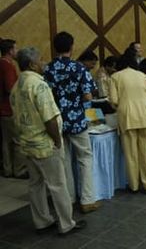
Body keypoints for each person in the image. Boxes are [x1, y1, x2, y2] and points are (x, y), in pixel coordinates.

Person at [10, 47, 86, 235]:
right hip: (44, 144)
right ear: (32, 65)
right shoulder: (38, 85)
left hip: (27, 143)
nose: (44, 62)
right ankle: (66, 223)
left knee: (35, 184)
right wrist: (57, 140)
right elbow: (49, 118)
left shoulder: (17, 86)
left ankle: (42, 221)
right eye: (41, 59)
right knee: (58, 184)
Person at [44, 31, 100, 213]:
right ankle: (87, 200)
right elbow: (88, 94)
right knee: (85, 158)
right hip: (77, 120)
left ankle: (69, 199)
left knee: (64, 160)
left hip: (57, 120)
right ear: (71, 46)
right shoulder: (79, 68)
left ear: (54, 47)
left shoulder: (48, 69)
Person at [110, 54, 146, 194]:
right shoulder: (143, 76)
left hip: (128, 116)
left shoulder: (116, 77)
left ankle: (134, 185)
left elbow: (114, 100)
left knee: (131, 153)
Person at [0, 39, 28, 178]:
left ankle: (7, 169)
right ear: (10, 51)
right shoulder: (8, 66)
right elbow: (11, 88)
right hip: (9, 108)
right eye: (16, 49)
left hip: (2, 109)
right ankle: (20, 169)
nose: (17, 51)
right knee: (17, 141)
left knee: (5, 142)